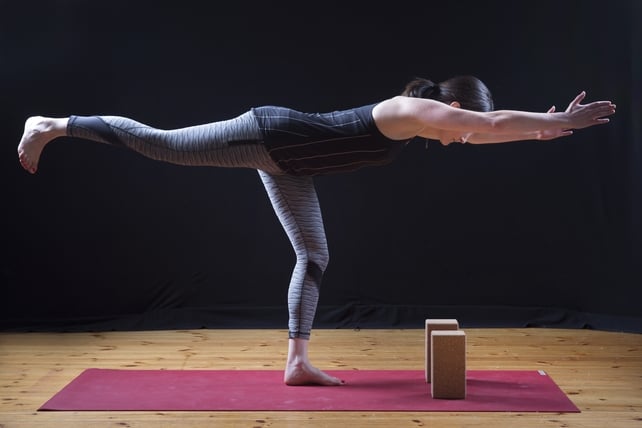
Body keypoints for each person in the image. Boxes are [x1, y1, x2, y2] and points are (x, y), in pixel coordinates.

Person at [17, 76, 616, 386]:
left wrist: (540, 133)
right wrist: (557, 120)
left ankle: (296, 361)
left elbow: (486, 130)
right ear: (453, 108)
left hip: (289, 164)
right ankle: (54, 123)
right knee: (164, 145)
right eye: (464, 128)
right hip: (273, 136)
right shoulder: (412, 112)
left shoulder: (425, 126)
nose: (465, 141)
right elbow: (485, 124)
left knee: (314, 254)